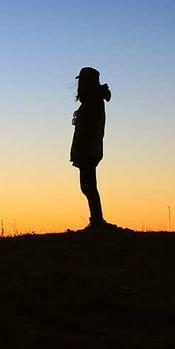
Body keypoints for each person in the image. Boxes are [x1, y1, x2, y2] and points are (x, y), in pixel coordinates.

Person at [70, 66, 111, 228]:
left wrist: (85, 149)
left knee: (88, 186)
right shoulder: (92, 100)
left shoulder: (93, 101)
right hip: (88, 149)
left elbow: (90, 129)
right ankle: (96, 220)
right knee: (88, 186)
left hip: (88, 149)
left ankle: (97, 221)